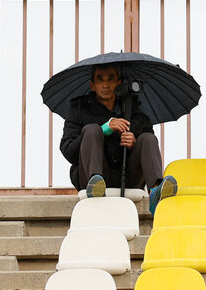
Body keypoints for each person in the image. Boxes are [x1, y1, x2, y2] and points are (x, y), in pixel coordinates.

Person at [60, 64, 176, 215]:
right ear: (92, 85)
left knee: (147, 138)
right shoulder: (78, 110)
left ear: (119, 83)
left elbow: (147, 148)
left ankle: (156, 190)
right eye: (100, 79)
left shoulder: (136, 114)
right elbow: (68, 151)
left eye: (111, 79)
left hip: (127, 176)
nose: (106, 84)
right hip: (90, 176)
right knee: (92, 129)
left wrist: (134, 144)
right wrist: (104, 129)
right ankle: (96, 186)